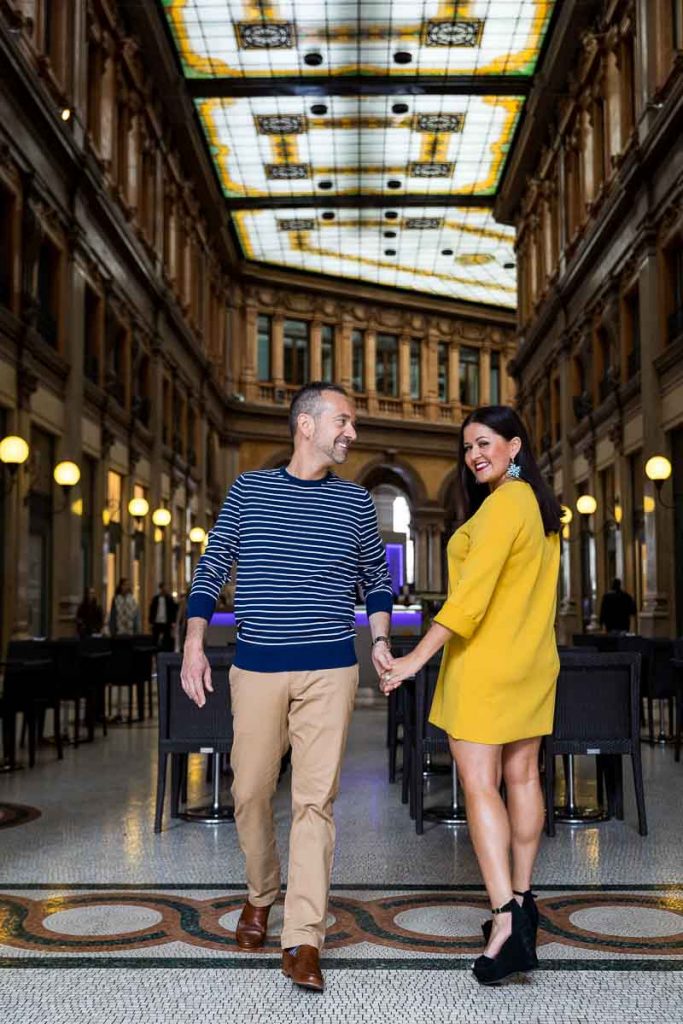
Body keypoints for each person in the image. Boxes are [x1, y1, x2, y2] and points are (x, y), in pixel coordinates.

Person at [181, 382, 393, 993]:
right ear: (307, 424)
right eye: (344, 421)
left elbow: (375, 581)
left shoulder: (356, 502)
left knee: (313, 801)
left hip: (330, 667)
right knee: (248, 792)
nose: (352, 433)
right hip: (258, 665)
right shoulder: (249, 488)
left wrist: (380, 641)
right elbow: (214, 563)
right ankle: (260, 892)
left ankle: (303, 937)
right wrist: (195, 641)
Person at [380, 405, 562, 986]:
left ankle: (505, 920)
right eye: (467, 447)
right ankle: (526, 901)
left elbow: (469, 602)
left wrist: (412, 659)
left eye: (485, 443)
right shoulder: (538, 507)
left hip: (485, 664)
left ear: (515, 445)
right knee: (524, 777)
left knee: (482, 785)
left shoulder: (504, 505)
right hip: (532, 661)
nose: (474, 455)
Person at [149, 582, 177, 651]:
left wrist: (173, 621)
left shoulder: (169, 599)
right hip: (157, 621)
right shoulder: (156, 599)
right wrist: (151, 621)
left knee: (167, 638)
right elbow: (152, 610)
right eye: (164, 587)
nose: (166, 589)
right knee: (155, 638)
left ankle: (166, 652)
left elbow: (173, 611)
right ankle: (155, 652)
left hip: (166, 622)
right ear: (161, 588)